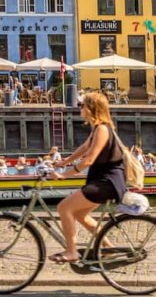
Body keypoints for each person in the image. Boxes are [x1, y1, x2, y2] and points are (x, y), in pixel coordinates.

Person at [49, 92, 126, 264]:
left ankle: (71, 252)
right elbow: (84, 148)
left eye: (82, 105)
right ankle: (108, 248)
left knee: (64, 208)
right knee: (80, 214)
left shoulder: (102, 130)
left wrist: (63, 176)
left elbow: (89, 159)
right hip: (102, 181)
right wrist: (64, 162)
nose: (80, 108)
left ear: (91, 108)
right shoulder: (98, 128)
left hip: (107, 182)